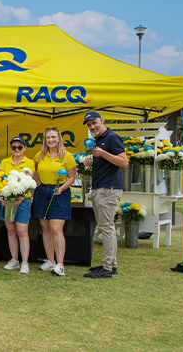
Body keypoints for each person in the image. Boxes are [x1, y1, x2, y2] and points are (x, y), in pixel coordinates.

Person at [81, 111, 129, 279]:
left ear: (102, 120)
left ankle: (107, 268)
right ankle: (111, 264)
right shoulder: (98, 140)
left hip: (108, 189)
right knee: (105, 226)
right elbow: (108, 162)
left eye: (94, 123)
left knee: (106, 228)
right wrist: (93, 162)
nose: (92, 126)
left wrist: (103, 154)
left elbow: (124, 162)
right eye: (89, 125)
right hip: (100, 187)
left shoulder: (112, 137)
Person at [32, 126, 76, 276]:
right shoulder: (39, 155)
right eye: (48, 137)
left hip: (59, 193)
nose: (50, 140)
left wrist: (62, 188)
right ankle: (50, 260)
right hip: (42, 192)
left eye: (53, 137)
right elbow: (35, 171)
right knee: (45, 228)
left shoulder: (67, 156)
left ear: (59, 139)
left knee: (56, 229)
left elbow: (71, 178)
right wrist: (36, 180)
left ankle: (60, 264)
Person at [0, 136, 36, 274]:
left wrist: (21, 197)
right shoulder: (5, 162)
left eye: (20, 147)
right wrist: (2, 196)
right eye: (14, 147)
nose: (17, 149)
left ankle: (25, 262)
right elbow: (0, 181)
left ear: (25, 148)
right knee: (11, 231)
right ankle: (14, 260)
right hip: (7, 200)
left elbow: (29, 182)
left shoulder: (30, 162)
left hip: (23, 200)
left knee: (22, 231)